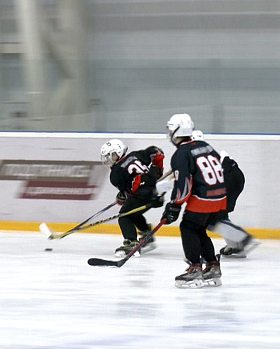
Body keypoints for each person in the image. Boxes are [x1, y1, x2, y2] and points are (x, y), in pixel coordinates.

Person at [160, 115, 227, 288]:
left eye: (170, 129)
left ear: (177, 131)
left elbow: (184, 184)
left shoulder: (181, 154)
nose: (169, 133)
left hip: (203, 199)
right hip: (220, 197)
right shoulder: (205, 145)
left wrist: (174, 205)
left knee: (188, 228)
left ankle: (195, 268)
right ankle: (212, 265)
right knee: (199, 229)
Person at [190, 131, 259, 258]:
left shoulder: (191, 154)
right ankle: (235, 244)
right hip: (237, 176)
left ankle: (243, 238)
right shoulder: (207, 150)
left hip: (226, 180)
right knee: (220, 213)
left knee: (211, 220)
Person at [99, 139, 166, 257]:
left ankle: (131, 242)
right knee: (133, 212)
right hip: (154, 191)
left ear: (118, 153)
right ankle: (147, 236)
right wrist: (156, 170)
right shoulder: (135, 155)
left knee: (124, 215)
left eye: (111, 155)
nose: (108, 160)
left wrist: (122, 197)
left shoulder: (115, 173)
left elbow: (129, 194)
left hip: (142, 193)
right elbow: (156, 152)